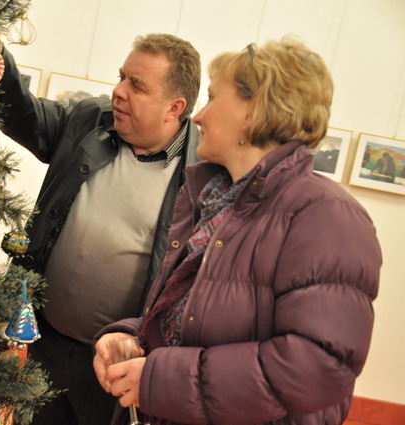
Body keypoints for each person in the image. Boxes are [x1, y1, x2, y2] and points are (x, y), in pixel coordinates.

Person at [93, 37, 382, 425]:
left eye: (212, 99)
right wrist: (132, 338)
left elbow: (317, 366)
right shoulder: (217, 198)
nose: (198, 116)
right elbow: (194, 321)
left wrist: (161, 379)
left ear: (253, 112)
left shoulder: (326, 214)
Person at [0, 33, 202, 425]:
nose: (118, 91)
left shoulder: (201, 175)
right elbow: (24, 114)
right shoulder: (90, 120)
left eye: (136, 85)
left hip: (116, 369)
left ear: (174, 107)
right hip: (44, 344)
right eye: (122, 77)